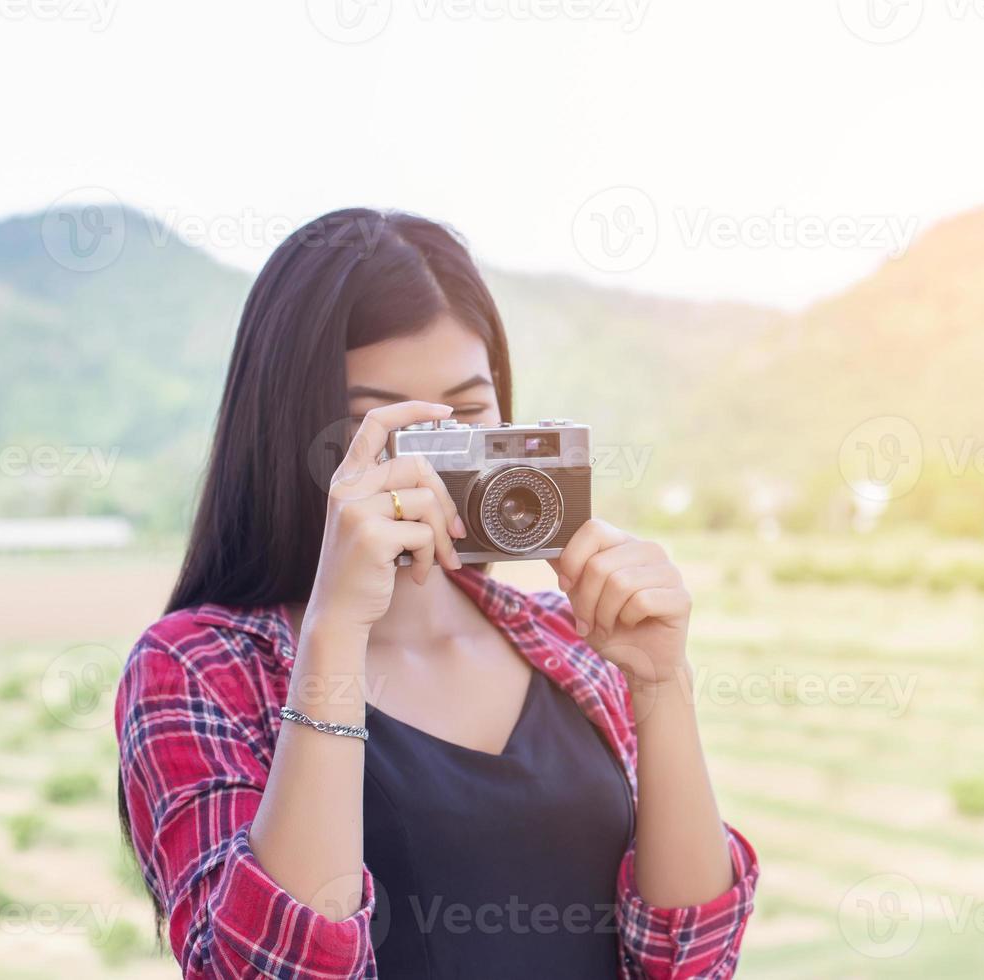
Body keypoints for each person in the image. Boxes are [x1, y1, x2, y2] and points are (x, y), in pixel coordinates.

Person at [115, 209, 758, 978]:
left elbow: (688, 960)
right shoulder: (196, 666)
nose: (431, 463)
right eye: (378, 423)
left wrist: (661, 683)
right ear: (291, 434)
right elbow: (260, 971)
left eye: (468, 411)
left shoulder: (569, 639)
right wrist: (337, 629)